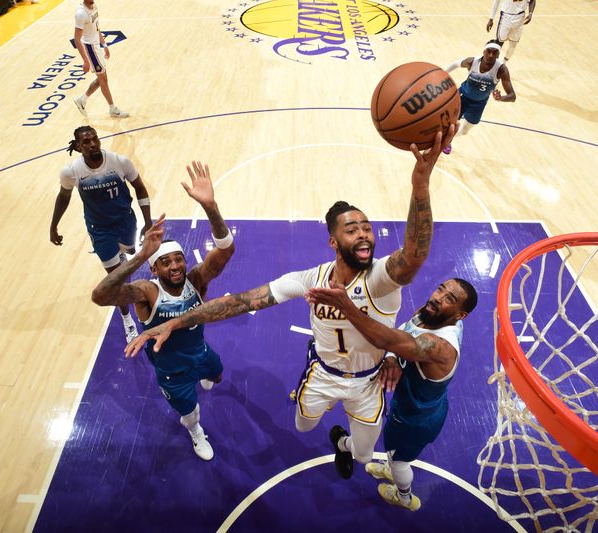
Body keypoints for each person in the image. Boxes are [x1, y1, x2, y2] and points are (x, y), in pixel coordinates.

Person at [125, 126, 457, 480]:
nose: (363, 232)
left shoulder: (380, 277)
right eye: (352, 228)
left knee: (362, 456)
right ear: (333, 241)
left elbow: (415, 254)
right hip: (324, 375)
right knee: (301, 425)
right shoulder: (309, 279)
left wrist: (420, 184)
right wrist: (177, 321)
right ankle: (311, 393)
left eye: (367, 226)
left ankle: (342, 444)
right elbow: (240, 302)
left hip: (367, 383)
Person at [91, 162, 235, 460]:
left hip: (200, 352)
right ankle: (194, 431)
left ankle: (204, 381)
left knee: (217, 377)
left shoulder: (195, 279)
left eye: (178, 259)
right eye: (165, 262)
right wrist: (140, 254)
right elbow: (100, 295)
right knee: (191, 412)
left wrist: (210, 206)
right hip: (172, 370)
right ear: (154, 268)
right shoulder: (146, 292)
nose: (174, 266)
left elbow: (225, 251)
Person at [304, 278, 478, 511]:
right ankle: (391, 463)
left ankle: (403, 497)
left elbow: (385, 339)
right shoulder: (431, 315)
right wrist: (392, 357)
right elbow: (402, 335)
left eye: (450, 299)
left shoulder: (438, 346)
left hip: (414, 419)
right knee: (394, 453)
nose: (437, 298)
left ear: (460, 314)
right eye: (440, 289)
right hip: (423, 404)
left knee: (400, 462)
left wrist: (346, 305)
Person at [50, 126, 152, 343]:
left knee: (129, 251)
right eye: (86, 142)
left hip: (126, 220)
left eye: (94, 139)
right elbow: (63, 197)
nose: (93, 144)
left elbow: (140, 189)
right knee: (117, 278)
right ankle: (127, 318)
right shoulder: (71, 172)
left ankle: (123, 256)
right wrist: (53, 226)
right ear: (78, 146)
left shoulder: (119, 162)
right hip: (100, 229)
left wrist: (148, 222)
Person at [442, 40, 516, 154]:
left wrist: (501, 98)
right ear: (484, 52)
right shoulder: (472, 62)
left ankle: (447, 138)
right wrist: (442, 73)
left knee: (465, 131)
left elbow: (512, 96)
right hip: (462, 96)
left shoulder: (501, 69)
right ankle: (444, 141)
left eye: (495, 53)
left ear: (498, 55)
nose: (491, 55)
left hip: (479, 103)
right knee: (451, 123)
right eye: (489, 51)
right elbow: (456, 63)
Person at [72, 0, 128, 118]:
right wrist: (86, 60)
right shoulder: (81, 13)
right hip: (90, 48)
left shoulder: (94, 5)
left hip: (96, 46)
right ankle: (112, 108)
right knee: (103, 79)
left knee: (102, 79)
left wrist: (105, 45)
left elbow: (97, 28)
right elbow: (77, 39)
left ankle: (82, 100)